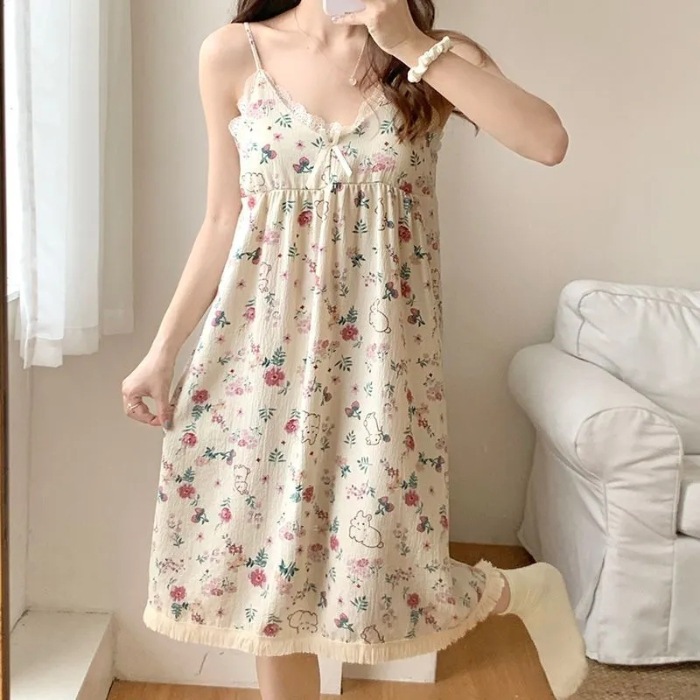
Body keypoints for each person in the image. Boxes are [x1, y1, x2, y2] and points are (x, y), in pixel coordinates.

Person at [122, 1, 586, 698]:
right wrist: (162, 352)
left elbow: (547, 141)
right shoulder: (234, 54)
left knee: (386, 565)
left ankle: (513, 594)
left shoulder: (433, 55)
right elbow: (222, 218)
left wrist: (406, 41)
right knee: (271, 581)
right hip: (258, 361)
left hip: (381, 368)